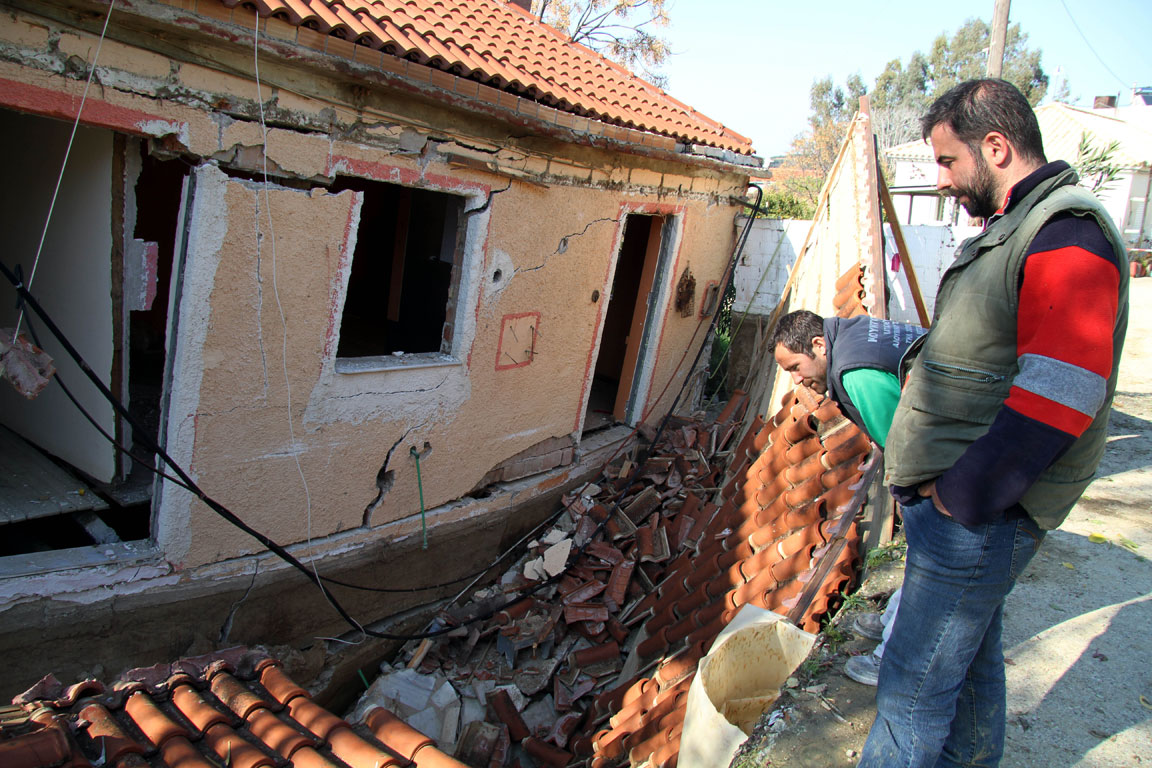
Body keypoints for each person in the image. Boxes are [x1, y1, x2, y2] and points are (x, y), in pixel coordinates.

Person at [858, 79, 1129, 768]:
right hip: (965, 510)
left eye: (948, 162)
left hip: (980, 516)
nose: (943, 180)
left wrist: (960, 500)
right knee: (968, 672)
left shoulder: (1067, 230)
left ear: (997, 146)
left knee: (909, 693)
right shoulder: (1019, 225)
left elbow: (1062, 393)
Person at [772, 310, 925, 685]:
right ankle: (892, 619)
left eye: (795, 366)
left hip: (953, 454)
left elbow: (904, 448)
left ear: (818, 345)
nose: (796, 379)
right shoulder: (848, 330)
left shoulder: (855, 372)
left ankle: (893, 658)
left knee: (930, 561)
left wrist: (914, 496)